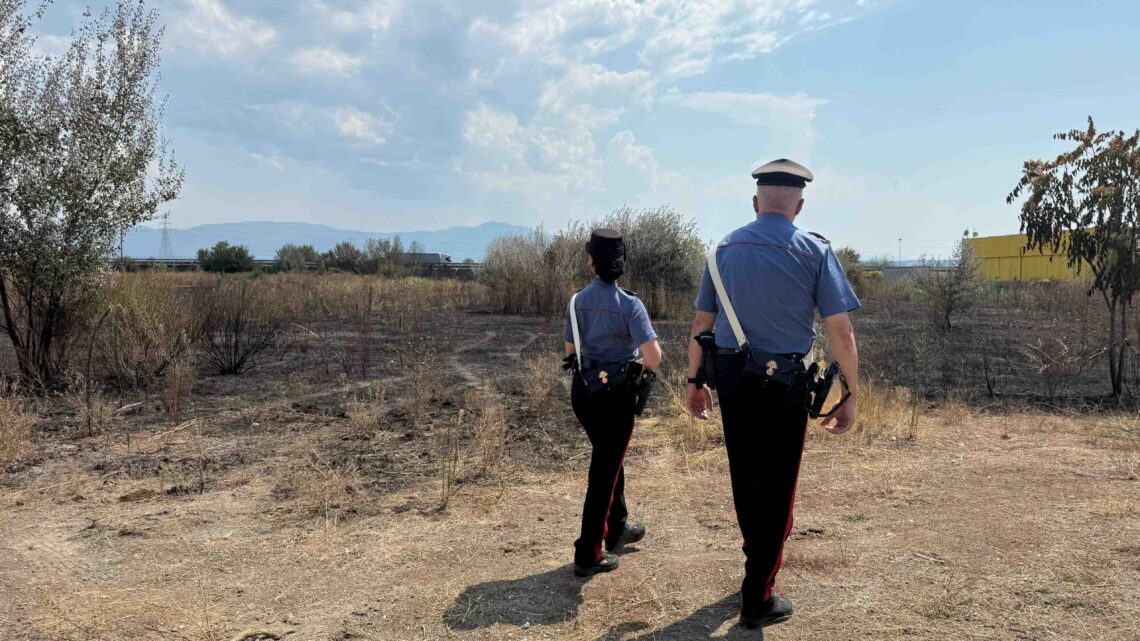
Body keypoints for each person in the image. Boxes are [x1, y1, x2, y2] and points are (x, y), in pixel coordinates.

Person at [685, 159, 861, 629]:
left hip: (733, 382)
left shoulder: (722, 250)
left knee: (746, 479)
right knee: (779, 487)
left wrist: (694, 384)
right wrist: (850, 395)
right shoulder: (814, 251)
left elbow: (701, 327)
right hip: (786, 385)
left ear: (755, 201)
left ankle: (755, 566)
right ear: (799, 205)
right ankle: (757, 595)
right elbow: (840, 331)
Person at [563, 228, 663, 577]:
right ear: (621, 262)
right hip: (616, 397)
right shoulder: (630, 304)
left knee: (609, 460)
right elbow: (653, 356)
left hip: (584, 393)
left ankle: (617, 529)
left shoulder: (576, 302)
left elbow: (570, 352)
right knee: (605, 470)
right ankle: (587, 553)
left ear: (591, 261)